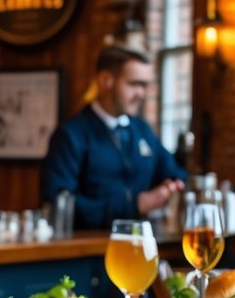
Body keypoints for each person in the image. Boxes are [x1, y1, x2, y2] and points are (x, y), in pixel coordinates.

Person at [41, 45, 186, 230]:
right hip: (86, 250)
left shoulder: (142, 130)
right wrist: (135, 206)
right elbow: (57, 201)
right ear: (105, 80)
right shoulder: (71, 135)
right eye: (134, 84)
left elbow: (174, 172)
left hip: (140, 244)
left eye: (145, 85)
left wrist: (172, 187)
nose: (141, 94)